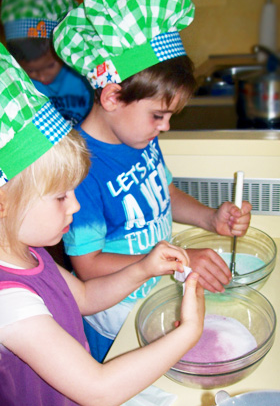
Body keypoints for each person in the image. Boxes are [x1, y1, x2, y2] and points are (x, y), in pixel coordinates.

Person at [52, 0, 252, 363]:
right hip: (117, 322)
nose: (165, 127)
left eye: (170, 116)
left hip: (157, 294)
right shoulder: (80, 168)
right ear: (112, 97)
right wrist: (179, 259)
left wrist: (210, 218)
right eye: (158, 115)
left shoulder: (139, 136)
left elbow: (165, 193)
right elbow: (88, 266)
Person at [0, 42, 205, 406]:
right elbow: (99, 389)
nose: (75, 204)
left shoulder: (28, 253)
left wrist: (144, 267)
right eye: (61, 197)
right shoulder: (8, 301)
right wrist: (189, 331)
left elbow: (84, 297)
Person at [0, 0, 92, 125]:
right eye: (31, 71)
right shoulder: (22, 84)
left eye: (50, 66)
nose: (42, 78)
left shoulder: (82, 72)